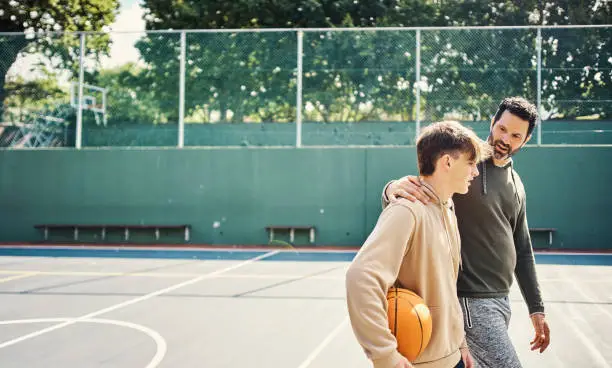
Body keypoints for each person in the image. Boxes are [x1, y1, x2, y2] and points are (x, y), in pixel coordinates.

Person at [382, 97, 551, 368]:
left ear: (526, 140)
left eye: (516, 135)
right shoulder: (465, 163)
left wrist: (536, 308)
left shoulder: (516, 183)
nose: (504, 139)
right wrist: (391, 189)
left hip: (500, 299)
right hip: (470, 300)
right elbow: (424, 185)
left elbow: (522, 247)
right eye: (502, 128)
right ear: (492, 122)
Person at [346, 120, 492, 368]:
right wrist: (385, 355)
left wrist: (459, 343)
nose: (475, 172)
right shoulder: (407, 210)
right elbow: (361, 277)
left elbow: (447, 285)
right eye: (470, 163)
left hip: (453, 357)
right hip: (421, 362)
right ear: (447, 162)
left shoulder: (447, 208)